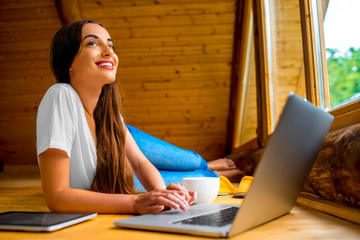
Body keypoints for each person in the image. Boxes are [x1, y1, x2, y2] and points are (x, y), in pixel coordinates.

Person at [36, 19, 240, 214]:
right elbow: (56, 197)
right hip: (111, 167)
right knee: (200, 176)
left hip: (123, 145)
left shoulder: (109, 113)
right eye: (92, 43)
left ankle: (209, 164)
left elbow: (140, 163)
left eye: (111, 45)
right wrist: (135, 202)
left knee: (192, 161)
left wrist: (163, 194)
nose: (109, 52)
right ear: (68, 61)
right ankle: (213, 169)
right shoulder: (60, 96)